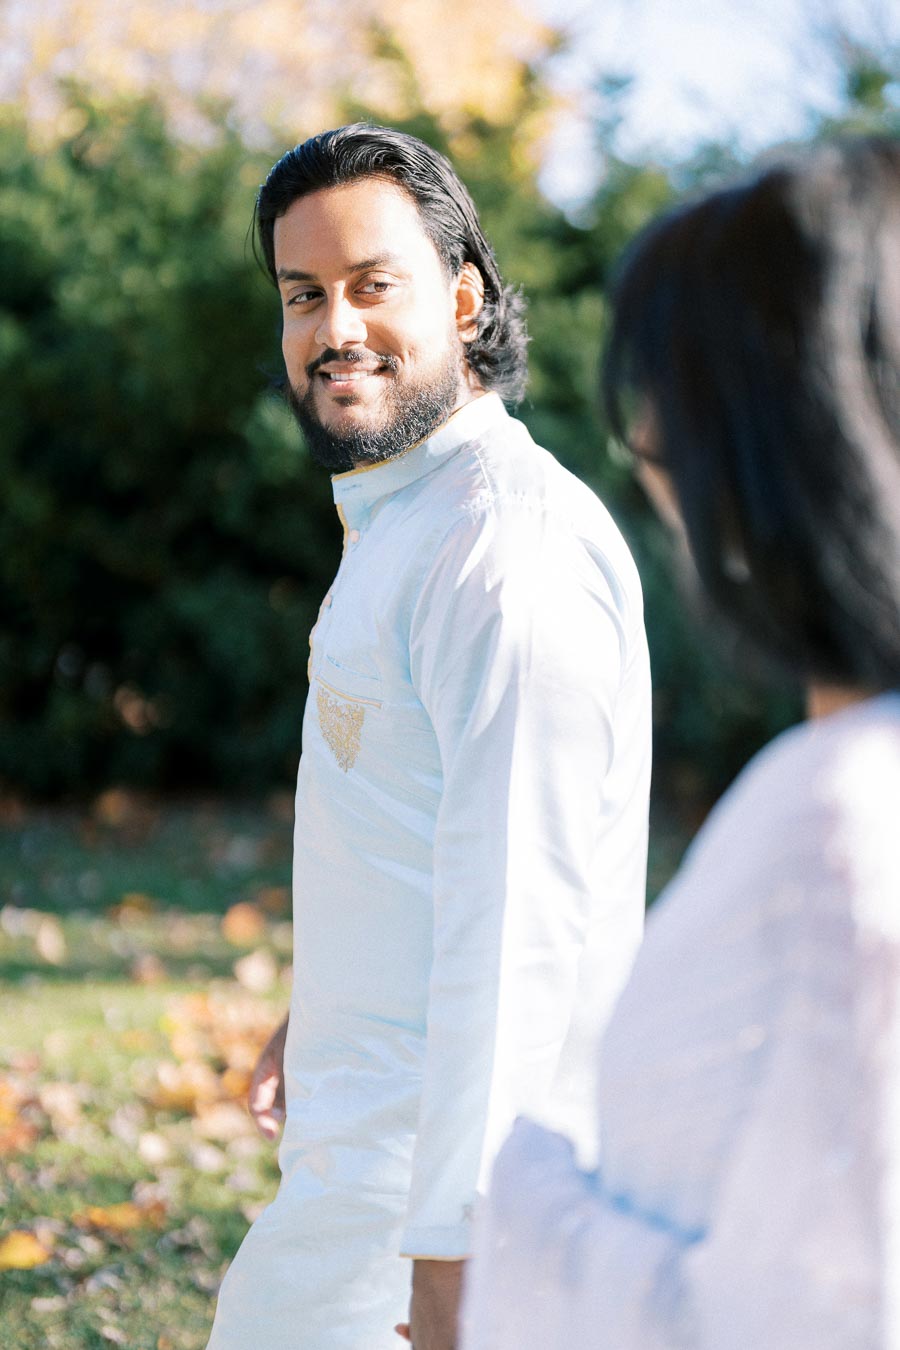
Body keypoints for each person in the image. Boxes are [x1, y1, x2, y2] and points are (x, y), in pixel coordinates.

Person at [205, 123, 652, 1350]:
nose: (334, 327)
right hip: (357, 1170)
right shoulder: (407, 515)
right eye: (304, 294)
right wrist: (323, 1009)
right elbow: (413, 830)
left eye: (372, 284)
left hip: (432, 1218)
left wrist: (457, 1257)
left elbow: (523, 930)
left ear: (462, 299)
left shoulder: (502, 553)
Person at [462, 135, 900, 1349]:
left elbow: (810, 1310)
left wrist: (525, 1198)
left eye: (661, 415)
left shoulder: (842, 831)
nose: (647, 454)